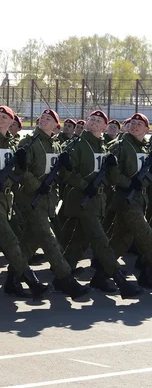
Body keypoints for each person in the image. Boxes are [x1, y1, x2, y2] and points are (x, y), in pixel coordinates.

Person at [0, 106, 49, 299]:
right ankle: (31, 281)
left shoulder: (13, 144)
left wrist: (21, 165)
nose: (0, 119)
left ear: (11, 121)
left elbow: (18, 174)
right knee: (10, 240)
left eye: (4, 117)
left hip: (7, 199)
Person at [60, 110, 142, 299]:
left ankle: (62, 275)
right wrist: (83, 185)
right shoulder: (78, 144)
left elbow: (110, 177)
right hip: (81, 200)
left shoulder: (103, 147)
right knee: (100, 241)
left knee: (80, 240)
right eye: (92, 119)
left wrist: (112, 167)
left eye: (99, 121)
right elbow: (66, 172)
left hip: (98, 201)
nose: (94, 123)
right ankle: (120, 281)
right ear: (87, 123)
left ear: (105, 127)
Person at [13, 109, 90, 299]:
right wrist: (37, 185)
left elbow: (60, 174)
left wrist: (67, 166)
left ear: (56, 125)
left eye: (49, 119)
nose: (44, 120)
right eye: (42, 118)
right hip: (32, 199)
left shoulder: (55, 145)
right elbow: (21, 170)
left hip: (48, 201)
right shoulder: (29, 142)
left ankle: (12, 278)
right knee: (49, 239)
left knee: (29, 242)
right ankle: (65, 279)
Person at [107, 113, 152, 288]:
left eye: (139, 124)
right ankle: (147, 275)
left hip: (139, 200)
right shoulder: (120, 145)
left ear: (147, 129)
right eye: (132, 123)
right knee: (147, 237)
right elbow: (112, 173)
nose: (135, 126)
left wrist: (142, 182)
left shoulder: (144, 148)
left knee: (121, 241)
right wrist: (129, 183)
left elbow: (147, 175)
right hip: (126, 199)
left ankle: (102, 273)